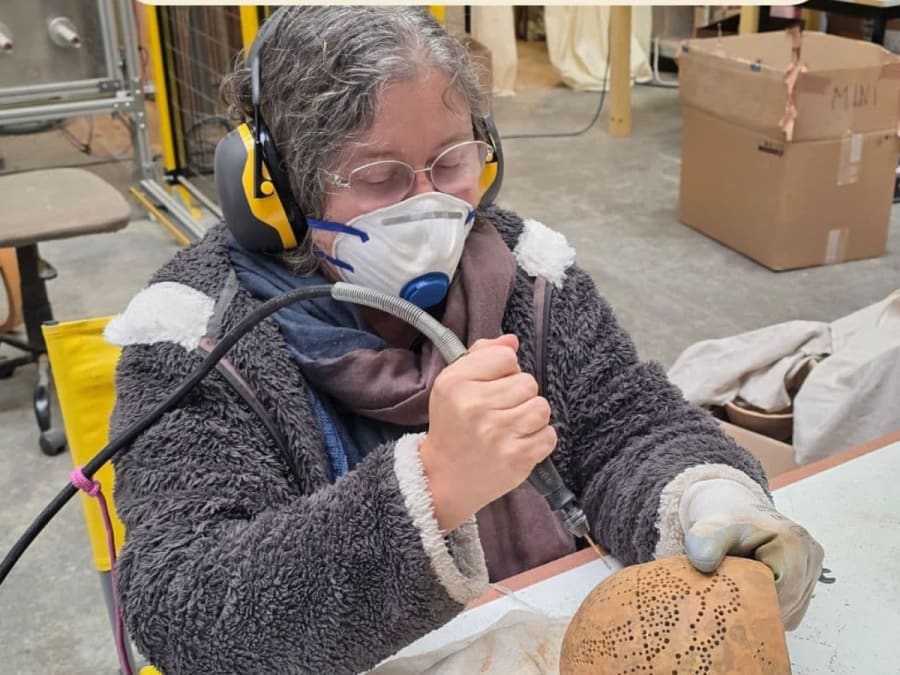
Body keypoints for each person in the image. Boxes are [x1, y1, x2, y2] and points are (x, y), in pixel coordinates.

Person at [106, 6, 823, 674]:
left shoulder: (527, 272)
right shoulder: (195, 340)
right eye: (380, 176)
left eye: (451, 160)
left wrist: (708, 497)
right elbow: (185, 603)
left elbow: (626, 426)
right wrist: (434, 485)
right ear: (277, 190)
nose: (430, 204)